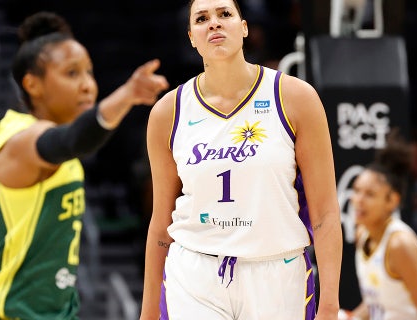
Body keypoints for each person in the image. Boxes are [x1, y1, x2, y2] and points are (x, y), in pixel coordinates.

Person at [140, 0, 343, 319]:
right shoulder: (169, 112)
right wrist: (148, 311)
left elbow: (326, 213)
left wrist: (330, 304)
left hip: (276, 270)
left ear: (244, 27)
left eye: (224, 14)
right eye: (202, 18)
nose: (214, 24)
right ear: (192, 36)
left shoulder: (295, 98)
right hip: (195, 272)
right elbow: (161, 222)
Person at [0, 12, 168, 319]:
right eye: (72, 74)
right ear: (32, 84)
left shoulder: (35, 141)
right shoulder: (22, 141)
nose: (87, 85)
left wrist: (14, 271)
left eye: (89, 72)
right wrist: (126, 95)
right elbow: (74, 140)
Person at [348, 132, 417, 320]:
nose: (358, 200)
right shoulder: (362, 234)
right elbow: (379, 301)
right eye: (356, 191)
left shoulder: (400, 245)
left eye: (370, 194)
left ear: (392, 201)